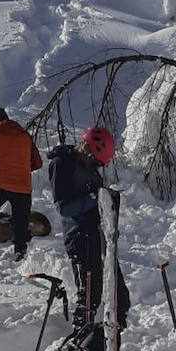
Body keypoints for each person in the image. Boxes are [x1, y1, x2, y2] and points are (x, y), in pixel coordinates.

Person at [48, 127, 130, 333]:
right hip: (79, 237)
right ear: (88, 149)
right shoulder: (62, 163)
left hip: (98, 237)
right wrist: (95, 198)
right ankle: (81, 341)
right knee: (89, 297)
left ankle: (112, 340)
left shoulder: (87, 167)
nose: (97, 166)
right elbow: (63, 207)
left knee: (120, 295)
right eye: (96, 161)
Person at [0, 108, 42, 261]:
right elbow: (37, 162)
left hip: (1, 182)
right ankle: (20, 252)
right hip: (24, 186)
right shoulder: (25, 135)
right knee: (20, 220)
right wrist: (22, 167)